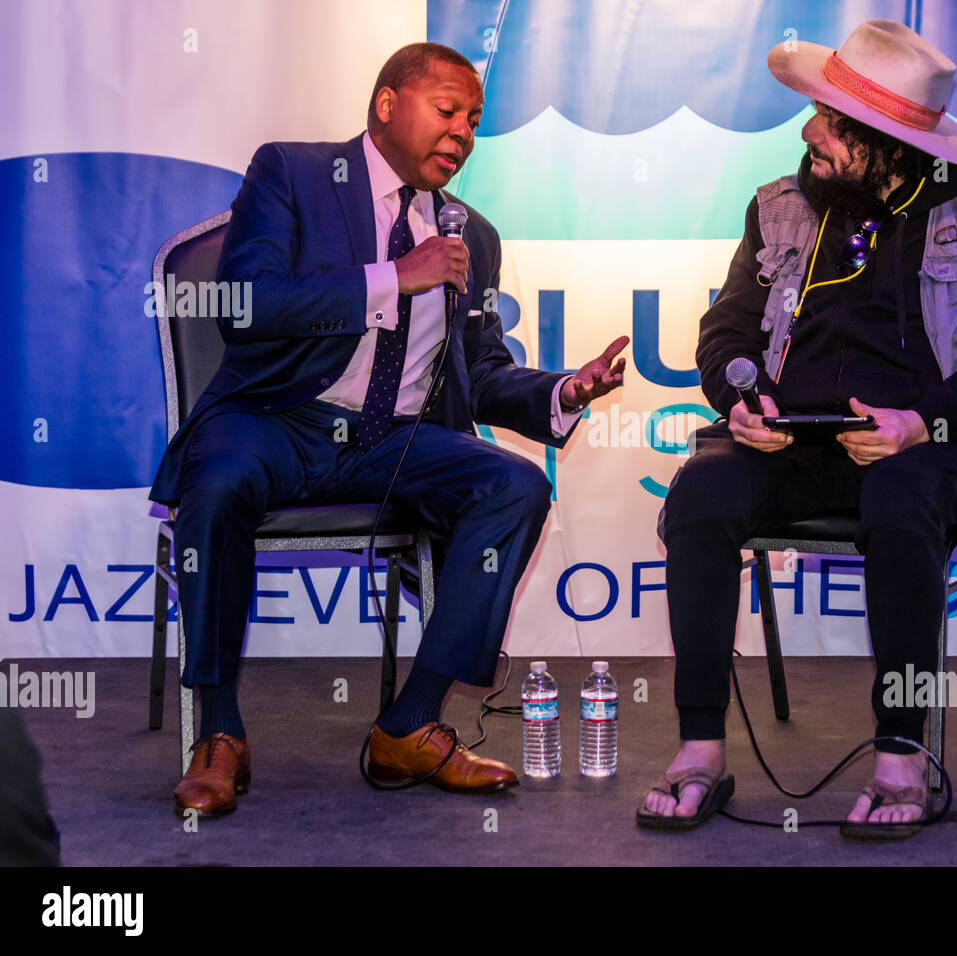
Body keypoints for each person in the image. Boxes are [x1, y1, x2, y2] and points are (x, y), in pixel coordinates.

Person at [149, 42, 627, 816]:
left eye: (473, 121)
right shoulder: (294, 175)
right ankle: (219, 733)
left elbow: (479, 370)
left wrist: (566, 391)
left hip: (393, 441)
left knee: (515, 483)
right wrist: (392, 278)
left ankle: (409, 725)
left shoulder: (471, 233)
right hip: (277, 420)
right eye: (447, 111)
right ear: (387, 104)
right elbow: (245, 305)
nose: (462, 133)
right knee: (221, 480)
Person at [638, 20, 957, 834]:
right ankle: (700, 752)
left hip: (929, 450)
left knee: (900, 497)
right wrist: (743, 393)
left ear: (889, 141)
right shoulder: (779, 208)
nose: (808, 131)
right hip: (793, 444)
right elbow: (726, 334)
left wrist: (921, 421)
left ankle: (901, 759)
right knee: (702, 495)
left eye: (829, 121)